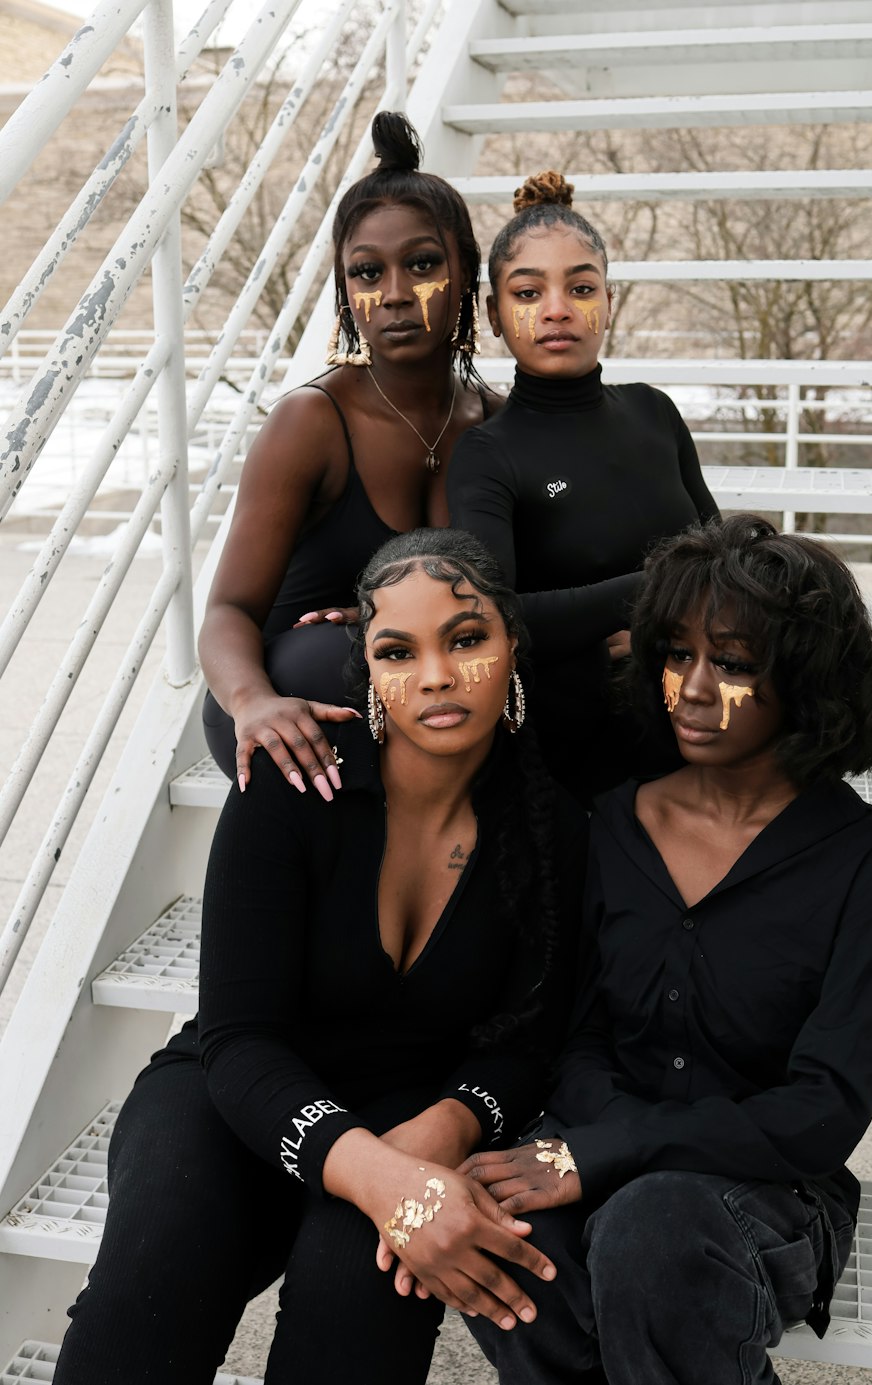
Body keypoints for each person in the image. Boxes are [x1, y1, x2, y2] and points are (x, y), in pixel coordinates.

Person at [52, 529, 587, 1385]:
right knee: (149, 1288)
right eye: (397, 650)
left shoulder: (550, 825)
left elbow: (528, 1043)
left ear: (512, 644)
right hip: (234, 1094)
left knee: (358, 1313)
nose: (438, 676)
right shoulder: (295, 784)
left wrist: (440, 1130)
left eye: (466, 638)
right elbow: (236, 1034)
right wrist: (375, 1172)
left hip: (413, 1111)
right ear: (368, 670)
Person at [459, 514, 872, 1385]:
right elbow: (579, 1036)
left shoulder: (866, 860)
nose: (694, 688)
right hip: (597, 1143)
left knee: (651, 1227)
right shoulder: (617, 822)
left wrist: (613, 1154)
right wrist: (592, 1149)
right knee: (497, 1224)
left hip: (770, 1188)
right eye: (677, 654)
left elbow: (823, 1111)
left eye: (735, 664)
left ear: (805, 682)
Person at [200, 110, 496, 795]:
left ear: (464, 274)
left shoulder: (497, 422)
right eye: (366, 273)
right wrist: (252, 702)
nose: (394, 294)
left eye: (421, 264)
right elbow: (226, 613)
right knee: (330, 658)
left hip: (424, 689)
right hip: (290, 699)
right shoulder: (310, 422)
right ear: (346, 295)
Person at [447, 172, 719, 802]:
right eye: (527, 291)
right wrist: (660, 596)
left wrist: (623, 616)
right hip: (576, 732)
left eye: (581, 287)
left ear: (609, 300)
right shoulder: (487, 454)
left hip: (695, 702)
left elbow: (725, 565)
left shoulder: (655, 412)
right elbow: (495, 617)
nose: (557, 309)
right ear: (493, 313)